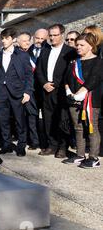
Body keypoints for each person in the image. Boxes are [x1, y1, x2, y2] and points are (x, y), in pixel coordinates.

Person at [0, 28, 33, 157]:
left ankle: (21, 146)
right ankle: (6, 145)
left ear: (13, 39)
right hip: (1, 93)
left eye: (6, 38)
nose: (4, 41)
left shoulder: (22, 55)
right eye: (2, 38)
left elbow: (29, 75)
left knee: (20, 120)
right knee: (3, 121)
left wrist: (27, 92)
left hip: (17, 93)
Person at [35, 24, 77, 158]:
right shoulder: (45, 50)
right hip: (46, 90)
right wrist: (44, 83)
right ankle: (51, 145)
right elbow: (39, 70)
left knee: (62, 119)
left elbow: (70, 73)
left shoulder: (70, 51)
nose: (52, 38)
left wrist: (56, 84)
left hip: (61, 91)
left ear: (62, 35)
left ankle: (63, 147)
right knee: (48, 119)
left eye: (55, 35)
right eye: (50, 35)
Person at [62, 34, 103, 168]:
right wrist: (68, 91)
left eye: (81, 45)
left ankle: (93, 157)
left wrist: (82, 92)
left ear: (91, 46)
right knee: (78, 128)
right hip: (73, 98)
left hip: (90, 100)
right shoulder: (74, 61)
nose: (77, 47)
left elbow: (94, 79)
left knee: (91, 128)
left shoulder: (98, 61)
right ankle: (80, 155)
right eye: (77, 44)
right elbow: (66, 78)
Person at [18, 32, 40, 150]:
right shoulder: (16, 54)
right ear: (18, 42)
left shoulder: (33, 53)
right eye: (24, 41)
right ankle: (26, 140)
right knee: (23, 116)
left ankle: (35, 140)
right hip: (22, 90)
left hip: (35, 90)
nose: (26, 43)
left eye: (28, 40)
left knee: (33, 116)